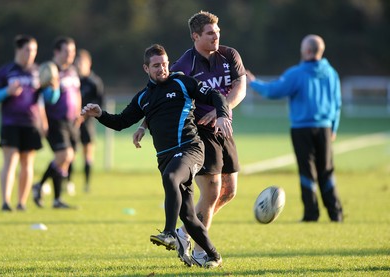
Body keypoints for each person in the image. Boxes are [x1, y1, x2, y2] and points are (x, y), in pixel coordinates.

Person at [81, 44, 231, 268]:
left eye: (165, 64)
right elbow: (121, 122)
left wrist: (221, 115)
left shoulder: (182, 82)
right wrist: (100, 114)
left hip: (191, 149)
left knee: (171, 177)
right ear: (146, 68)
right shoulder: (143, 97)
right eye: (156, 65)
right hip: (166, 158)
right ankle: (213, 255)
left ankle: (169, 233)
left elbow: (216, 96)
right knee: (188, 216)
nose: (162, 69)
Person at [133, 11, 247, 266]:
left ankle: (186, 232)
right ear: (196, 36)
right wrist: (143, 124)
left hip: (223, 126)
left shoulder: (230, 55)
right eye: (210, 33)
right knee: (212, 190)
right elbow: (161, 99)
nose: (216, 36)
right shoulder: (184, 66)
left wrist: (222, 112)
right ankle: (199, 251)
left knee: (229, 192)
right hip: (198, 132)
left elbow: (241, 87)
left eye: (217, 32)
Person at [246, 34, 343, 222]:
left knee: (307, 171)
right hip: (325, 128)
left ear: (306, 51)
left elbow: (273, 91)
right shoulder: (331, 73)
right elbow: (337, 103)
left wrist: (253, 83)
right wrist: (334, 127)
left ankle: (311, 214)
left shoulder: (297, 73)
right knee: (327, 171)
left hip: (302, 129)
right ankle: (335, 213)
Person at [0, 35, 47, 211]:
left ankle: (21, 202)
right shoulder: (6, 71)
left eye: (34, 50)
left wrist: (53, 87)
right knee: (10, 161)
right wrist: (7, 91)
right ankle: (6, 202)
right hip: (10, 123)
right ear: (18, 50)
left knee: (27, 163)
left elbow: (47, 99)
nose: (31, 54)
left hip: (30, 123)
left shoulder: (39, 71)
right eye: (27, 50)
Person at [32, 36, 82, 209]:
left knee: (67, 159)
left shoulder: (72, 71)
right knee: (64, 155)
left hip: (71, 121)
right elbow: (38, 99)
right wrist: (43, 121)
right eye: (67, 52)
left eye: (73, 52)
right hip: (55, 121)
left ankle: (56, 199)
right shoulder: (48, 70)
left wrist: (79, 114)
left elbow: (76, 93)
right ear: (57, 52)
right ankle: (39, 186)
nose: (70, 55)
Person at [72, 49, 104, 193]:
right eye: (77, 62)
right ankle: (69, 183)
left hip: (87, 122)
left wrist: (85, 115)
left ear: (88, 63)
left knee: (87, 152)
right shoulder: (72, 80)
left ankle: (86, 184)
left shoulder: (94, 82)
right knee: (70, 153)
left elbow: (100, 103)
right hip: (72, 122)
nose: (79, 65)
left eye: (82, 62)